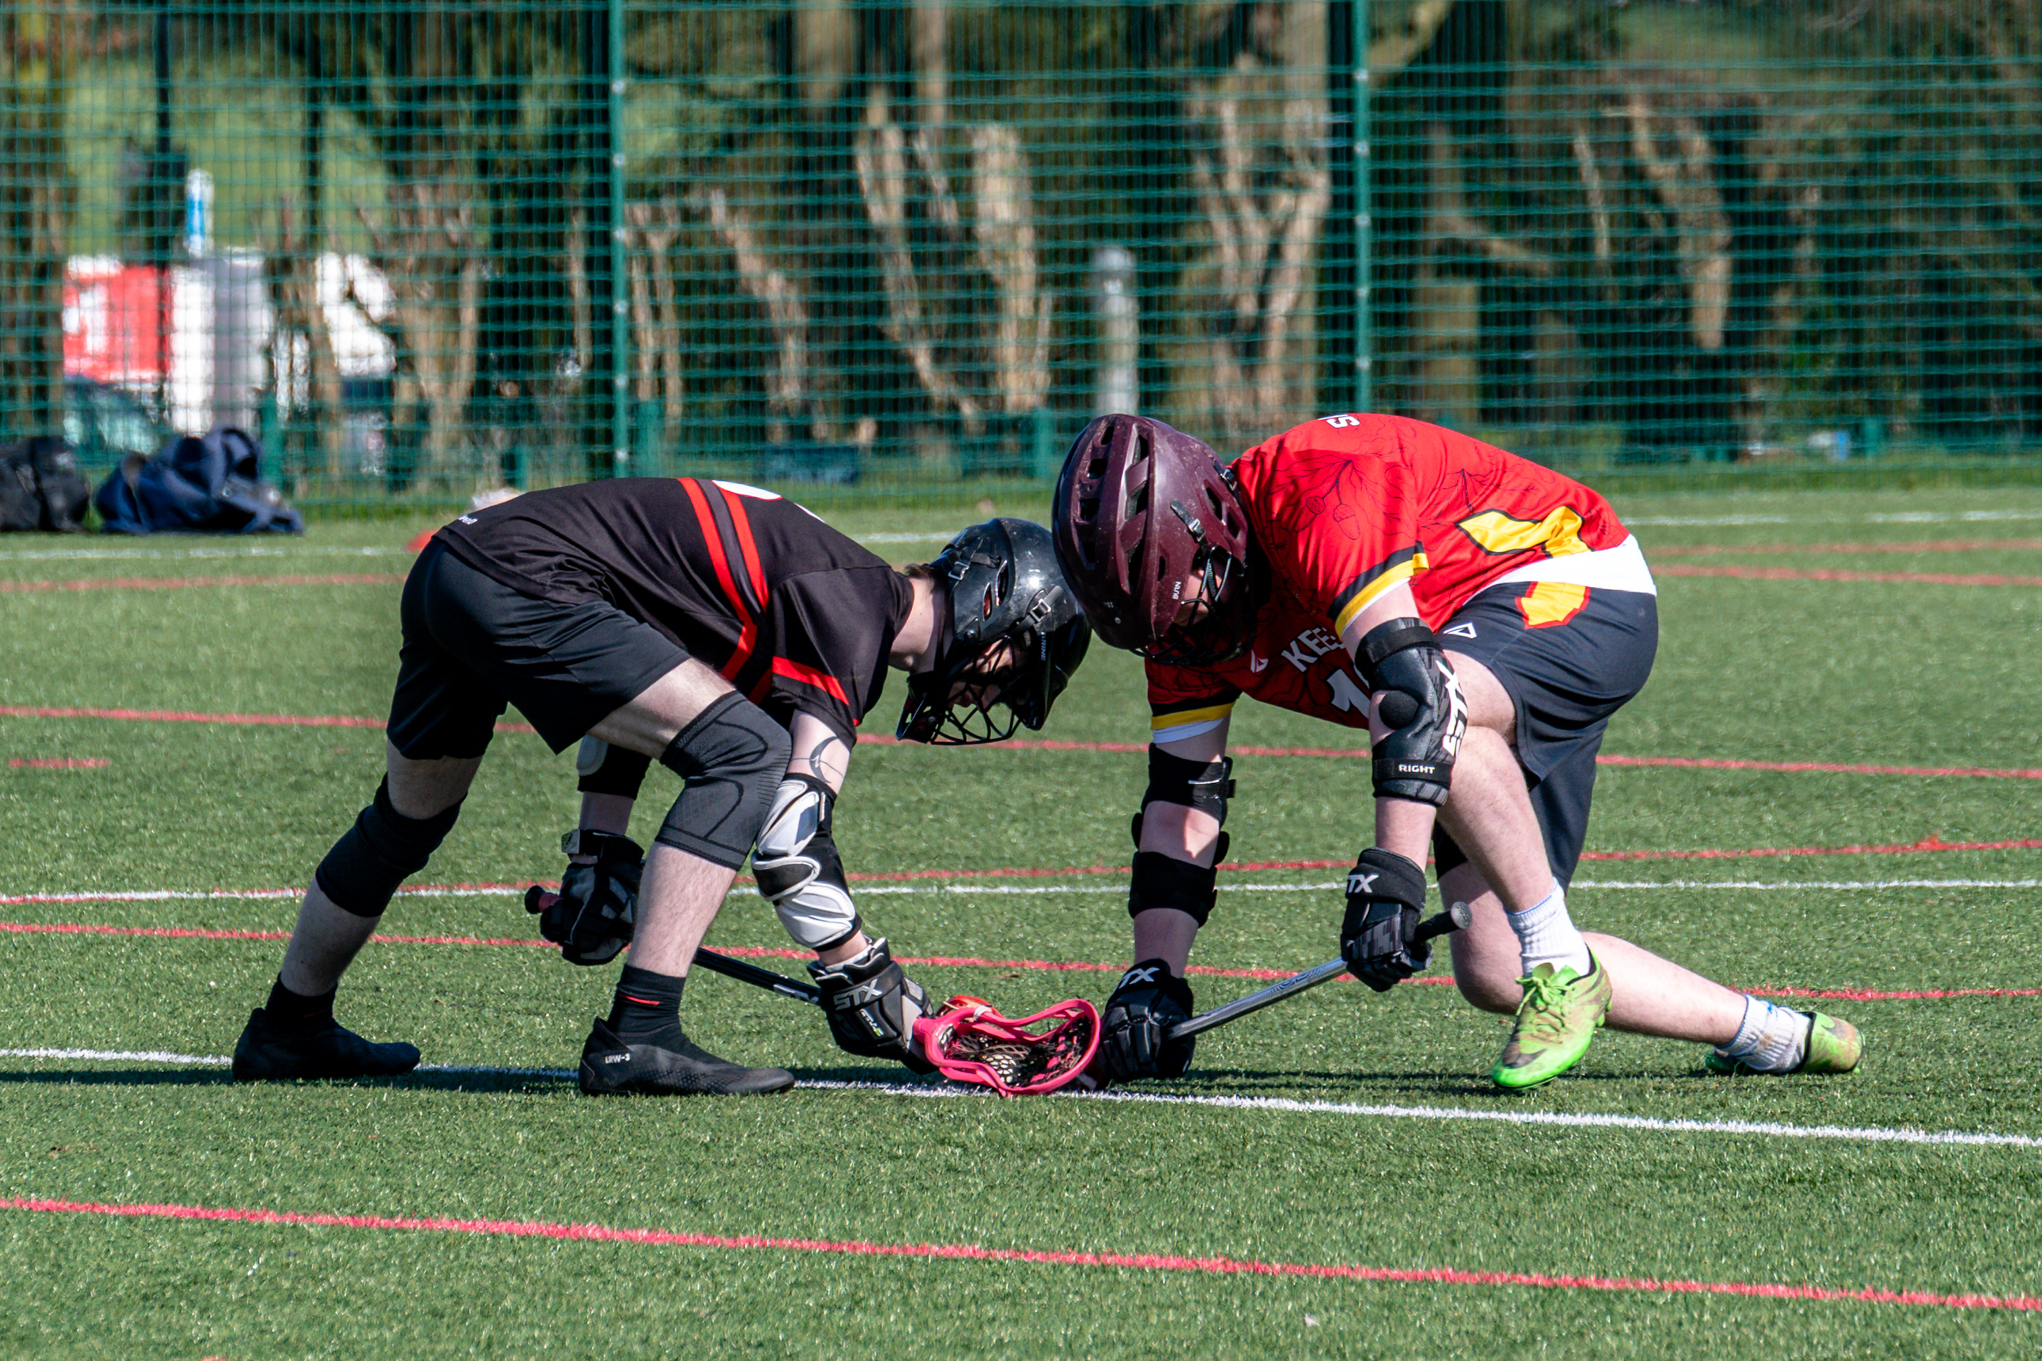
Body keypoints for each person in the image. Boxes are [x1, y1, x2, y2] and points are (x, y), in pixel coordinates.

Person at [1051, 413, 1860, 1090]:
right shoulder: (1171, 623)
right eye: (1150, 622)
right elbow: (1182, 800)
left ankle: (1562, 963)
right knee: (1493, 968)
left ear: (1212, 525)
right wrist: (1154, 978)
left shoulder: (1316, 489)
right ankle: (1773, 1032)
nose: (1178, 630)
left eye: (1180, 595)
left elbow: (1416, 695)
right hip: (1468, 658)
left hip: (1573, 579)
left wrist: (1391, 877)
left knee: (1442, 707)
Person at [230, 479, 1090, 1096]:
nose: (1002, 694)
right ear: (995, 604)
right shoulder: (851, 612)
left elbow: (640, 668)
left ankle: (288, 1026)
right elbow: (791, 844)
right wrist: (868, 977)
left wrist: (602, 849)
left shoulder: (832, 586)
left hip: (459, 568)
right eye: (1019, 665)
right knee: (748, 754)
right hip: (523, 577)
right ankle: (640, 1032)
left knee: (403, 823)